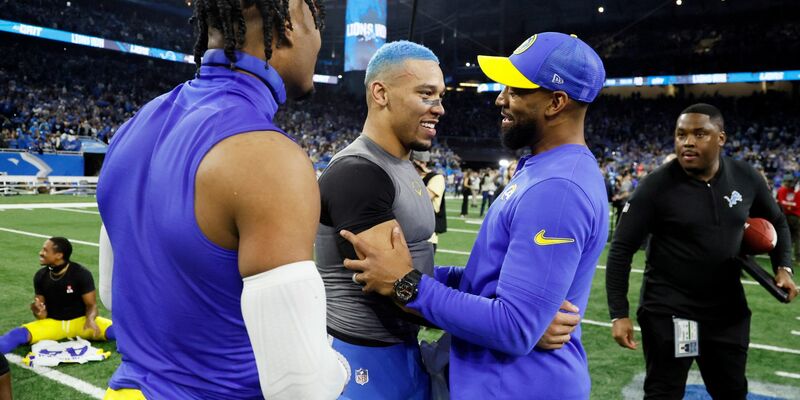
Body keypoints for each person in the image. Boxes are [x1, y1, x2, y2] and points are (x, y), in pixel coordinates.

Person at [96, 1, 348, 399]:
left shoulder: (134, 126)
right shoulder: (267, 157)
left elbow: (112, 292)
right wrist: (342, 359)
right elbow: (303, 388)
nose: (320, 41)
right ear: (288, 23)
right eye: (316, 23)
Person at [339, 32, 609, 399]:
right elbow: (495, 284)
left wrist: (408, 284)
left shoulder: (557, 189)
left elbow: (514, 327)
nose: (501, 99)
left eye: (516, 90)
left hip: (519, 386)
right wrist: (425, 274)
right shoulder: (544, 170)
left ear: (556, 102)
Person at [605, 103, 798, 399]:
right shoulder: (655, 186)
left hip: (726, 312)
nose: (688, 142)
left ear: (720, 138)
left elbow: (778, 223)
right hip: (672, 311)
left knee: (731, 391)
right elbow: (620, 250)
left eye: (699, 134)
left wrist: (783, 267)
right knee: (664, 392)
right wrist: (619, 313)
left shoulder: (746, 177)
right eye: (681, 134)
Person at [315, 40, 443, 400]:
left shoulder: (400, 164)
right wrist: (507, 322)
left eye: (440, 96)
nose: (440, 108)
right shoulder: (359, 173)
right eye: (426, 94)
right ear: (381, 93)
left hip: (400, 351)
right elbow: (400, 291)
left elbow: (416, 273)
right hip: (360, 363)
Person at [0, 237, 114, 354]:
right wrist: (36, 309)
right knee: (17, 334)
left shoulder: (81, 274)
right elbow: (42, 316)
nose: (41, 253)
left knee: (120, 331)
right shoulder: (40, 276)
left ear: (59, 255)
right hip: (54, 323)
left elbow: (91, 305)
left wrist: (90, 320)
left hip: (82, 323)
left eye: (45, 250)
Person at [411, 150, 447, 253]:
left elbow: (423, 198)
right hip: (406, 237)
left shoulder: (437, 178)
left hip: (426, 239)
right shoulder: (409, 177)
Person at [777, 173, 800, 262]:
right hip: (795, 217)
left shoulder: (782, 190)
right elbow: (797, 205)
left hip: (786, 216)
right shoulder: (797, 192)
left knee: (787, 237)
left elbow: (781, 202)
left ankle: (785, 257)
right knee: (797, 238)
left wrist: (787, 205)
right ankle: (797, 259)